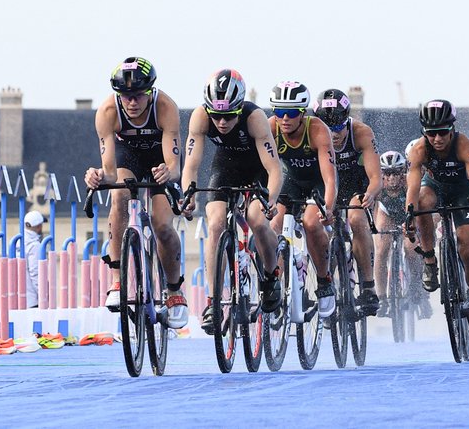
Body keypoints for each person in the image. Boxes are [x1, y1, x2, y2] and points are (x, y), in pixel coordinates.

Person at [82, 57, 188, 327]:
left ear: (150, 92)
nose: (132, 102)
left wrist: (168, 172)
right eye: (126, 96)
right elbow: (108, 170)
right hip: (128, 157)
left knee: (162, 224)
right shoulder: (107, 111)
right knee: (118, 196)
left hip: (159, 159)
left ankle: (174, 291)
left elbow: (174, 166)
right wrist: (96, 176)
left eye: (138, 96)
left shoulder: (165, 107)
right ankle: (118, 281)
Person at [181, 69, 284, 332]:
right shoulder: (200, 116)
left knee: (257, 220)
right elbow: (191, 165)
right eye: (217, 115)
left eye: (228, 116)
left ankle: (272, 276)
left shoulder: (255, 118)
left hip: (257, 168)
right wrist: (188, 195)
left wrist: (270, 200)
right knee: (215, 224)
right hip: (225, 167)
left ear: (239, 109)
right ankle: (214, 301)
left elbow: (274, 169)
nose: (222, 122)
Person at [404, 100, 469, 341]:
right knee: (421, 202)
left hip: (463, 192)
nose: (437, 138)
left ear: (451, 129)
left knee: (467, 250)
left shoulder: (463, 146)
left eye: (443, 132)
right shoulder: (419, 150)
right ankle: (430, 260)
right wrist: (409, 217)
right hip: (435, 188)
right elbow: (412, 188)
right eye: (431, 133)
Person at [266, 80, 337, 317]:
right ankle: (275, 282)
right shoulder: (270, 128)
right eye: (279, 112)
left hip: (317, 183)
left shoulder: (317, 130)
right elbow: (262, 169)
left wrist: (327, 207)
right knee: (272, 225)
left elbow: (329, 178)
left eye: (291, 113)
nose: (284, 119)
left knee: (311, 222)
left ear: (302, 113)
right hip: (292, 181)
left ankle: (324, 280)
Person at [315, 88, 383, 315]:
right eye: (327, 128)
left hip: (355, 185)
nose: (333, 134)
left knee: (356, 218)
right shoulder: (312, 132)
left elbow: (375, 177)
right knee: (315, 225)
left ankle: (367, 285)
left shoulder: (361, 132)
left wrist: (371, 194)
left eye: (338, 128)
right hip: (325, 184)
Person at [374, 149, 430, 319]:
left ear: (402, 172)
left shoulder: (409, 182)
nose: (391, 178)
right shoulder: (378, 185)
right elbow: (371, 207)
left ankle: (415, 284)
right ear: (382, 174)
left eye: (396, 173)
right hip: (387, 213)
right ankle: (382, 297)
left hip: (408, 214)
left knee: (411, 248)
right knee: (382, 250)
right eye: (388, 174)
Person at [23, 209, 44, 308]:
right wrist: (44, 296)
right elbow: (35, 273)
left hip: (16, 298)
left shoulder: (17, 242)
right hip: (31, 300)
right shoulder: (35, 246)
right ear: (39, 226)